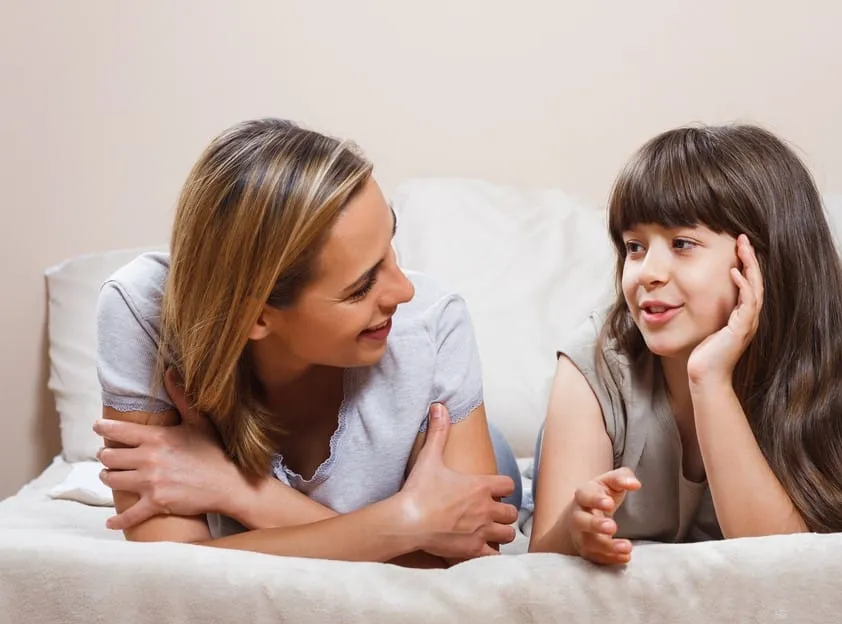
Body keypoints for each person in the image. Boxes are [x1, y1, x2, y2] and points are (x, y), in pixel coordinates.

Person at [92, 118, 521, 567]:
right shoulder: (144, 310)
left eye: (391, 247)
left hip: (458, 451)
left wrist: (239, 490)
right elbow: (168, 567)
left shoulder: (433, 322)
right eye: (361, 287)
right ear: (256, 316)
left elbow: (463, 571)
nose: (404, 291)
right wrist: (406, 527)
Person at [528, 124, 842, 565]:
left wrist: (710, 380)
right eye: (635, 247)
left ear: (761, 258)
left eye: (682, 244)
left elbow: (780, 563)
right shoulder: (595, 363)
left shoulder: (819, 375)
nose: (647, 272)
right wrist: (574, 528)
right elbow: (540, 559)